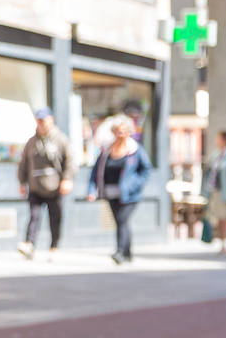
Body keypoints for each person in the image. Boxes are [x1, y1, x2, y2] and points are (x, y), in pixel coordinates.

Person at [86, 115, 151, 264]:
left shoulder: (135, 150)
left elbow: (146, 170)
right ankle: (127, 253)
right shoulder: (107, 150)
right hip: (111, 192)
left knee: (122, 220)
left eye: (123, 131)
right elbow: (96, 172)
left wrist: (134, 184)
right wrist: (92, 189)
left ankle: (120, 252)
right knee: (120, 222)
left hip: (130, 195)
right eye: (117, 131)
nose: (120, 134)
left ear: (129, 132)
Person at [16, 107, 75, 260]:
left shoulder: (61, 139)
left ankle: (54, 247)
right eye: (39, 120)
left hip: (54, 187)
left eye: (44, 120)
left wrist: (67, 179)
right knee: (34, 217)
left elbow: (70, 161)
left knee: (55, 218)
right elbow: (23, 163)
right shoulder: (32, 141)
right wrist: (22, 182)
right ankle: (29, 244)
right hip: (35, 186)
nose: (41, 123)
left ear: (51, 120)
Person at [203, 130, 226, 256]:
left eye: (218, 138)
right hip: (216, 191)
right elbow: (209, 170)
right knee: (219, 220)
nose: (216, 141)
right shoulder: (216, 155)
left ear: (225, 139)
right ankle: (222, 244)